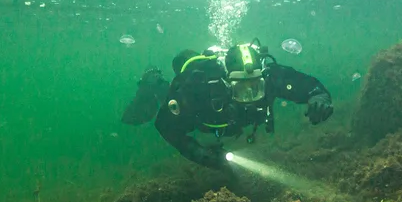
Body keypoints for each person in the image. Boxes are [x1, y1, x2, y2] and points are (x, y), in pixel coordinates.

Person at [121, 41, 334, 167]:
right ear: (227, 84)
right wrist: (198, 153)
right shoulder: (199, 87)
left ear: (264, 79)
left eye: (256, 87)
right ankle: (152, 81)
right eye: (242, 89)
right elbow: (166, 125)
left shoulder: (271, 76)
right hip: (202, 114)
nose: (250, 96)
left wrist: (318, 98)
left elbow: (308, 85)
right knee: (165, 93)